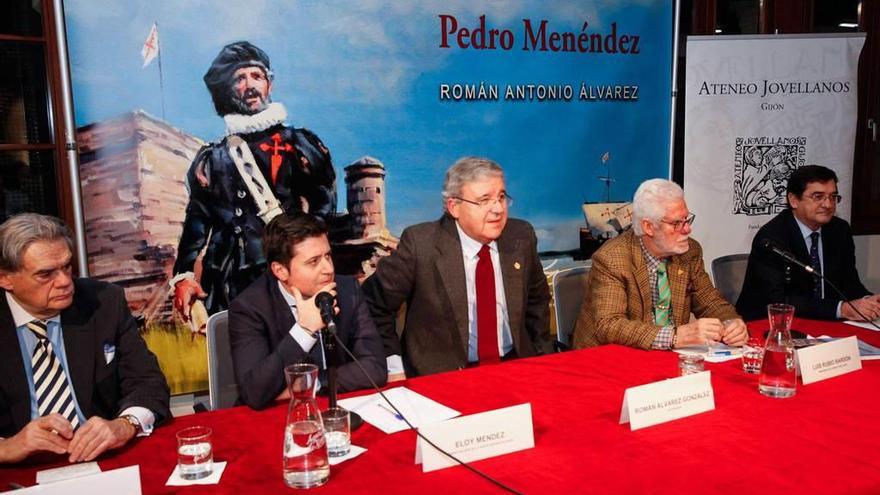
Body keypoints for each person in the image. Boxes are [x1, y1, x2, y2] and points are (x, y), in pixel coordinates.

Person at [172, 41, 336, 325]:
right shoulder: (211, 159)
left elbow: (323, 204)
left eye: (257, 76)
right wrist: (184, 276)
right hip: (227, 282)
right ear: (227, 89)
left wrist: (303, 252)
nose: (250, 86)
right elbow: (197, 222)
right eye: (240, 78)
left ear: (269, 85)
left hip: (284, 275)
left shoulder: (297, 145)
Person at [0, 214, 170, 464]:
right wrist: (7, 448)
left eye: (67, 267)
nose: (65, 282)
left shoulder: (103, 302)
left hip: (100, 460)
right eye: (45, 274)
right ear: (5, 278)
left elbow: (148, 383)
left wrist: (125, 425)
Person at [362, 157, 552, 379]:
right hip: (442, 376)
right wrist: (393, 365)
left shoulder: (521, 237)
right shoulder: (421, 244)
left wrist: (541, 359)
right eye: (484, 200)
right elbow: (373, 305)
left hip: (515, 368)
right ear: (454, 207)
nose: (498, 209)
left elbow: (537, 303)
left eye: (501, 197)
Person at [229, 213, 386, 410]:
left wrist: (313, 383)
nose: (328, 269)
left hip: (335, 410)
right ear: (280, 271)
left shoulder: (347, 290)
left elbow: (375, 368)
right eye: (313, 261)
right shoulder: (249, 307)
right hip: (276, 421)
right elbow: (254, 392)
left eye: (328, 256)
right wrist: (304, 330)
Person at [573, 179, 748, 350]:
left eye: (686, 219)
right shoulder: (611, 258)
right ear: (648, 227)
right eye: (676, 223)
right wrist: (674, 336)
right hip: (610, 359)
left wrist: (731, 322)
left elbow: (710, 302)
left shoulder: (690, 251)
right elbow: (610, 326)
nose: (687, 229)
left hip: (668, 356)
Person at [737, 165, 880, 321]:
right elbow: (779, 301)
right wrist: (841, 309)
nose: (828, 205)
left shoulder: (839, 230)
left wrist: (869, 301)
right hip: (773, 324)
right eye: (818, 197)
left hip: (828, 322)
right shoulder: (771, 239)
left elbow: (849, 284)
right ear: (793, 200)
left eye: (833, 197)